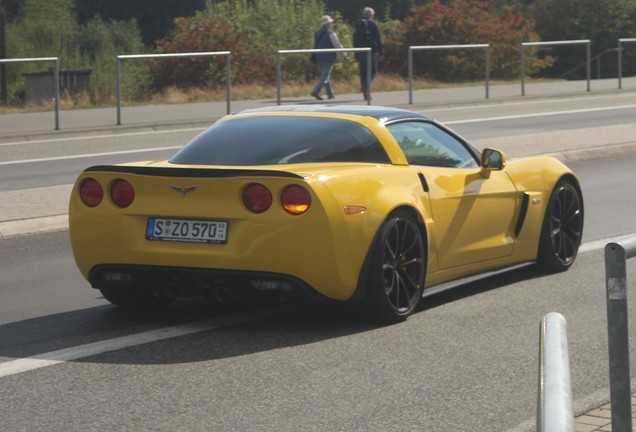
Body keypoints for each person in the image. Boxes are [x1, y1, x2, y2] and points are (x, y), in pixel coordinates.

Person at [310, 15, 347, 101]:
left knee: (325, 75)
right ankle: (316, 91)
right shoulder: (331, 34)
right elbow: (337, 45)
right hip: (328, 57)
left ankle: (330, 94)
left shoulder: (316, 34)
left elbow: (312, 46)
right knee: (325, 76)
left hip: (318, 57)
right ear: (328, 24)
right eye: (330, 23)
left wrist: (313, 55)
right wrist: (344, 54)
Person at [353, 7, 383, 101]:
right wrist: (381, 51)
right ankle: (366, 86)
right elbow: (378, 38)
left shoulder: (358, 24)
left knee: (363, 71)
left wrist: (355, 53)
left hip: (361, 51)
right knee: (373, 70)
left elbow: (354, 39)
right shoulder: (373, 24)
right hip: (371, 51)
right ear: (371, 15)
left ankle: (365, 90)